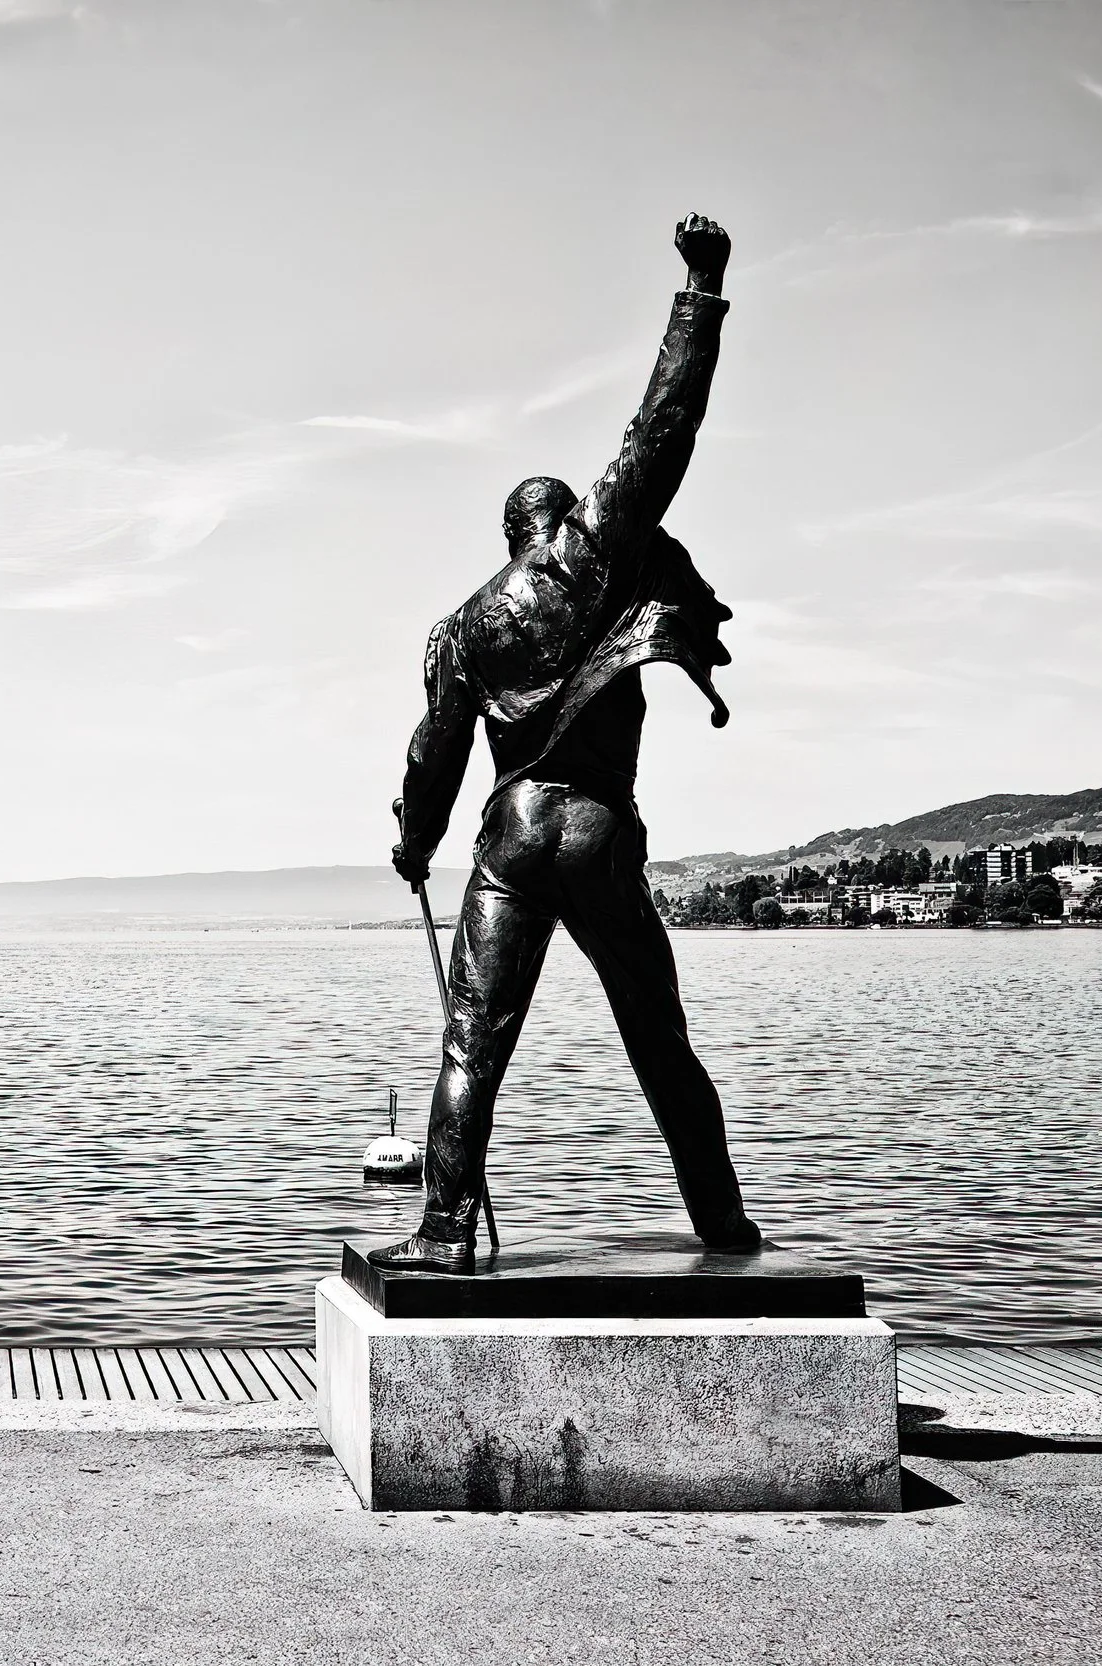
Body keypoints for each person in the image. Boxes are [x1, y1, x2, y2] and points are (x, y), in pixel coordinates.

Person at [378, 213, 762, 1275]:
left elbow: (433, 755)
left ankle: (445, 1229)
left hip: (508, 834)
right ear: (557, 525)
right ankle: (723, 1226)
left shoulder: (460, 628)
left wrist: (415, 844)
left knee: (470, 1045)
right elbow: (661, 427)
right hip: (595, 827)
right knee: (657, 1038)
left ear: (507, 534)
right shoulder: (592, 558)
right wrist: (700, 289)